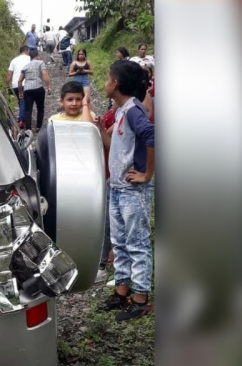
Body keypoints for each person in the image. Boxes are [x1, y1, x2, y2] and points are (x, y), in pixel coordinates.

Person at [95, 60, 154, 321]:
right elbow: (115, 144)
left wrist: (147, 174)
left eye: (108, 77)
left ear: (116, 83)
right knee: (119, 242)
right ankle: (122, 291)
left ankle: (140, 298)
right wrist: (100, 130)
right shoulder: (120, 111)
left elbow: (152, 136)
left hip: (133, 190)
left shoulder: (133, 110)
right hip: (118, 188)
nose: (105, 82)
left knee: (137, 243)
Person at [95, 99, 117, 284]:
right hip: (107, 173)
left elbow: (109, 141)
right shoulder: (116, 110)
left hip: (114, 174)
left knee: (109, 220)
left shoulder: (129, 113)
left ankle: (101, 264)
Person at [17, 49, 51, 132]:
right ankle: (38, 127)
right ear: (37, 56)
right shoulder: (40, 63)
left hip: (27, 89)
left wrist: (20, 92)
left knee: (28, 109)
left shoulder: (26, 66)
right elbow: (44, 74)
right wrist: (48, 86)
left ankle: (28, 128)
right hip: (38, 88)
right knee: (40, 107)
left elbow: (20, 80)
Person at [6, 45, 31, 127]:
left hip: (15, 84)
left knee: (21, 101)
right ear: (27, 51)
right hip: (26, 83)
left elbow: (9, 74)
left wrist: (7, 86)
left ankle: (23, 118)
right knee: (24, 101)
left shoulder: (14, 60)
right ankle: (22, 120)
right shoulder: (29, 58)